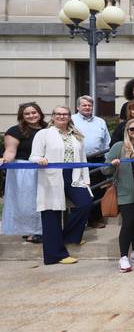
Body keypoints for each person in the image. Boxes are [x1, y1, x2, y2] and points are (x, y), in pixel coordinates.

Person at [29, 106, 94, 265]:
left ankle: (69, 237)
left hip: (74, 176)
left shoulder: (76, 135)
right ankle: (55, 255)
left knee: (85, 203)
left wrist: (86, 179)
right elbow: (34, 156)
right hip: (51, 177)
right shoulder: (43, 134)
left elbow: (83, 159)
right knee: (51, 214)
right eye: (58, 114)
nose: (62, 116)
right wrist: (39, 160)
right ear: (53, 116)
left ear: (69, 117)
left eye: (65, 114)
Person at [104, 119, 134, 273]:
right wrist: (112, 165)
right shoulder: (119, 147)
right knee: (128, 222)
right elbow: (105, 170)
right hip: (125, 192)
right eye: (132, 129)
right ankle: (123, 256)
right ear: (127, 131)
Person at [1, 102, 47, 242]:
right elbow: (10, 152)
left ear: (40, 113)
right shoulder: (15, 131)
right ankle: (31, 231)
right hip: (23, 171)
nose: (31, 115)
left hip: (45, 169)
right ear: (22, 116)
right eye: (27, 113)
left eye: (34, 112)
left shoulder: (48, 128)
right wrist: (4, 160)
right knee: (27, 203)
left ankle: (43, 230)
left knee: (44, 202)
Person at [72, 95, 112, 229]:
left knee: (97, 191)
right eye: (84, 105)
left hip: (98, 160)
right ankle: (80, 220)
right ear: (78, 107)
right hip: (77, 160)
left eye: (90, 105)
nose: (87, 107)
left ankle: (95, 219)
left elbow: (107, 141)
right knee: (79, 190)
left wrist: (107, 160)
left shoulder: (100, 121)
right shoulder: (71, 120)